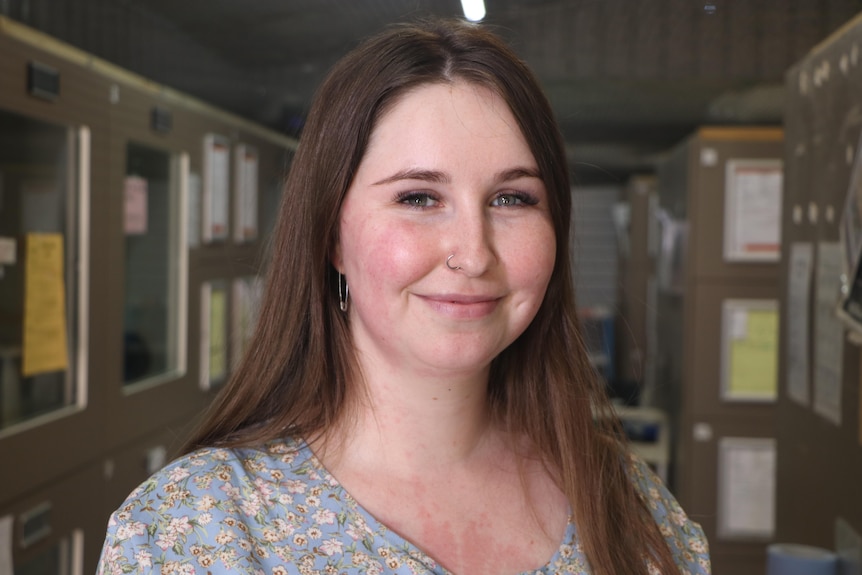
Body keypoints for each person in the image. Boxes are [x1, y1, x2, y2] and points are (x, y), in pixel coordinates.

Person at [97, 18, 710, 575]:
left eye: (512, 198)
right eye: (418, 197)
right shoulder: (198, 527)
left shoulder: (625, 501)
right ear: (332, 236)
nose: (473, 253)